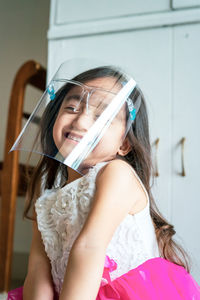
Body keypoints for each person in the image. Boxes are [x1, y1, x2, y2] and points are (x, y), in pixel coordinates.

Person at [7, 58, 200, 300]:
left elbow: (89, 246)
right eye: (72, 108)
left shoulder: (117, 174)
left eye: (103, 117)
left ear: (125, 143)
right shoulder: (45, 200)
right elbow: (38, 270)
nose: (81, 120)